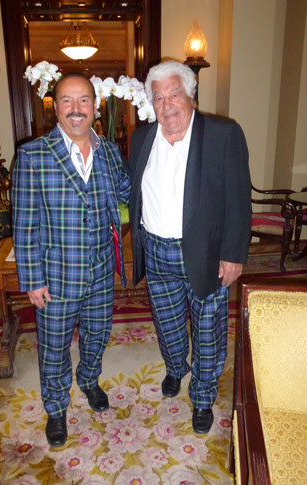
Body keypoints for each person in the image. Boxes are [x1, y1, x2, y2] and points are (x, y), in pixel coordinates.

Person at [128, 61, 251, 434]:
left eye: (174, 94)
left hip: (206, 252)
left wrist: (233, 254)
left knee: (208, 330)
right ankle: (176, 367)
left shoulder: (223, 134)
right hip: (156, 249)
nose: (167, 105)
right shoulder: (141, 138)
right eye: (159, 97)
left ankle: (202, 397)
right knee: (167, 325)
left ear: (191, 94)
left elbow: (238, 198)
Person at [12, 72, 131, 447]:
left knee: (96, 337)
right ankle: (56, 408)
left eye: (83, 101)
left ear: (96, 107)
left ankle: (89, 380)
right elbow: (24, 224)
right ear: (55, 106)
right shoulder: (32, 155)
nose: (76, 109)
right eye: (67, 100)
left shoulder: (109, 151)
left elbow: (128, 190)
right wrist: (32, 279)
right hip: (56, 274)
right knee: (54, 347)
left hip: (99, 272)